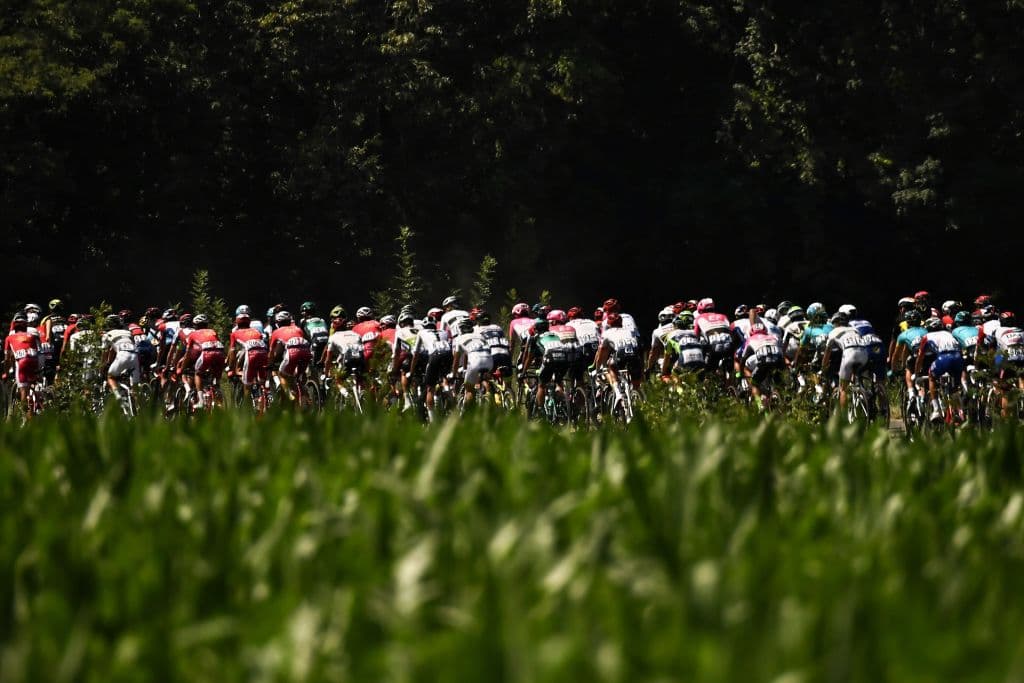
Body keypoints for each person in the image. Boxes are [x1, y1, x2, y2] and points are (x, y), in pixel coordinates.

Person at [914, 316, 964, 422]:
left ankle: (936, 410)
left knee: (931, 376)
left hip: (943, 357)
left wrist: (917, 372)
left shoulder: (926, 337)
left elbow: (920, 357)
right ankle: (959, 412)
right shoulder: (948, 333)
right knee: (954, 388)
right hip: (958, 357)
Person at [176, 314, 226, 409]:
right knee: (215, 379)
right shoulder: (213, 331)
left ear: (195, 325)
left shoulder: (193, 334)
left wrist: (182, 368)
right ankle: (217, 396)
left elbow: (187, 353)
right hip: (220, 352)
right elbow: (217, 344)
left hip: (207, 352)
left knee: (198, 373)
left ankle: (201, 401)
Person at [821, 311, 868, 410]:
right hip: (864, 353)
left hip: (849, 355)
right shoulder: (855, 329)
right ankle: (867, 397)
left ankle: (844, 420)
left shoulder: (833, 332)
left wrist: (824, 366)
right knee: (859, 380)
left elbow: (827, 352)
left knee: (843, 389)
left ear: (835, 323)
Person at [409, 316, 453, 422]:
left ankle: (433, 421)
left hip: (434, 356)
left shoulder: (421, 333)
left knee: (430, 388)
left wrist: (411, 371)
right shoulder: (443, 332)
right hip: (448, 355)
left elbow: (416, 354)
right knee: (444, 378)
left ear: (424, 326)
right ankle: (448, 392)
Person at [521, 317, 568, 413]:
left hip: (550, 357)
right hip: (563, 357)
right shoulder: (554, 335)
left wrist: (523, 372)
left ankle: (541, 410)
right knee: (558, 382)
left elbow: (529, 357)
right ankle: (564, 406)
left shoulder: (535, 338)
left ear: (536, 328)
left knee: (542, 385)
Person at [738, 313, 783, 409]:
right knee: (778, 382)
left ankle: (760, 404)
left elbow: (743, 358)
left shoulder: (750, 340)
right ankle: (777, 394)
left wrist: (742, 373)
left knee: (754, 383)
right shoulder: (773, 337)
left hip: (763, 361)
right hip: (778, 360)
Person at [268, 311, 312, 401]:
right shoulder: (298, 329)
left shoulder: (276, 332)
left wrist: (270, 363)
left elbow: (271, 351)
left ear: (278, 322)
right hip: (306, 351)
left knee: (282, 374)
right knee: (299, 376)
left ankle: (290, 395)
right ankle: (306, 397)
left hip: (292, 352)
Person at [593, 311, 642, 392]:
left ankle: (617, 392)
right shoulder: (630, 331)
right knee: (635, 383)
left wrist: (598, 369)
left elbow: (601, 352)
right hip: (635, 354)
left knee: (610, 366)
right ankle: (638, 396)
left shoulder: (606, 333)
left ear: (608, 324)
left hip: (621, 354)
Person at [3, 313, 41, 416]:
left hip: (22, 362)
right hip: (34, 361)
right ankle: (38, 401)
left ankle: (26, 418)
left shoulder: (9, 338)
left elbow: (7, 359)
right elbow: (37, 352)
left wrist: (6, 373)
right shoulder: (31, 336)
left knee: (23, 391)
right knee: (34, 384)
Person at [227, 312, 269, 401]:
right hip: (263, 352)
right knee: (261, 380)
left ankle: (247, 407)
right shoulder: (257, 331)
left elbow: (232, 352)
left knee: (247, 385)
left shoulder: (234, 334)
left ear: (237, 323)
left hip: (250, 355)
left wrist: (231, 367)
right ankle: (264, 395)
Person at [451, 318, 494, 404]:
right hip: (489, 360)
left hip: (475, 362)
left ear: (460, 329)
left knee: (469, 389)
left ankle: (468, 412)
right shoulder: (480, 336)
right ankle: (489, 394)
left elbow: (456, 360)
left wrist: (454, 375)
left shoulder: (459, 339)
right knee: (484, 379)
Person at [101, 314, 140, 403]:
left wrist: (102, 367)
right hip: (135, 356)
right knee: (135, 389)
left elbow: (105, 353)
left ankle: (117, 396)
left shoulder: (107, 334)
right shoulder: (128, 332)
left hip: (122, 355)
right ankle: (140, 411)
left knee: (111, 377)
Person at [693, 298, 734, 380]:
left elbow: (695, 337)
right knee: (732, 370)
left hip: (714, 348)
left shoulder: (699, 318)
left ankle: (708, 382)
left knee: (707, 372)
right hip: (730, 347)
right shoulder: (724, 316)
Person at [662, 311, 707, 375]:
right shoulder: (697, 333)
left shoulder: (671, 334)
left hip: (684, 360)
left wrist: (663, 374)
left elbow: (667, 358)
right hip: (700, 361)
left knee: (675, 374)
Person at [473, 310, 513, 379]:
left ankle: (488, 389)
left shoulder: (476, 330)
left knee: (485, 378)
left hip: (492, 356)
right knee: (506, 380)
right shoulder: (497, 327)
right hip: (505, 355)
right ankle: (508, 389)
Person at [646, 306, 678, 378]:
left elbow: (653, 352)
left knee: (665, 375)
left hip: (673, 355)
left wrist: (649, 368)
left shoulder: (657, 331)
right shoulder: (682, 327)